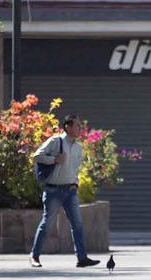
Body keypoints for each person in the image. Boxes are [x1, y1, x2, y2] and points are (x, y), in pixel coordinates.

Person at [29, 115, 100, 268]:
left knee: (78, 224)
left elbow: (74, 168)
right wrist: (54, 159)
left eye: (80, 126)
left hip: (70, 191)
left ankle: (82, 258)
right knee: (46, 224)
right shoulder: (55, 141)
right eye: (77, 126)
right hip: (53, 190)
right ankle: (34, 256)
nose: (79, 129)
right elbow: (37, 156)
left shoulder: (78, 147)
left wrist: (75, 182)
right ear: (67, 127)